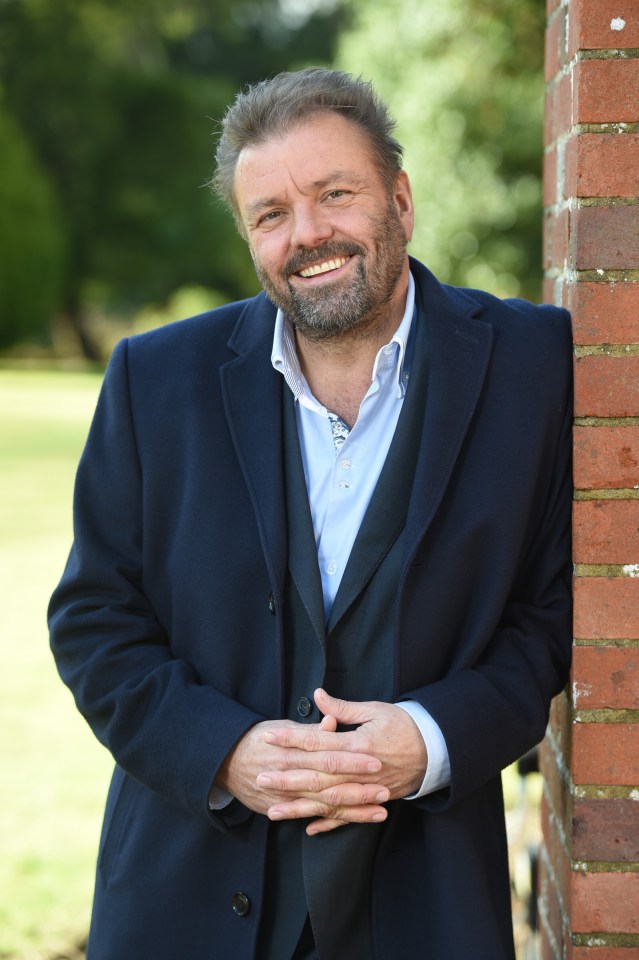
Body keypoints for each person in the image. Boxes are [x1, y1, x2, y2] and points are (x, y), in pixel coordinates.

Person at [49, 67, 573, 960]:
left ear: (399, 200)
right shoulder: (153, 379)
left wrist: (433, 740)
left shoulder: (533, 364)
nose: (308, 234)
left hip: (425, 902)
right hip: (183, 903)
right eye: (271, 214)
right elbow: (95, 620)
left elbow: (553, 615)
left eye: (336, 194)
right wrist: (224, 752)